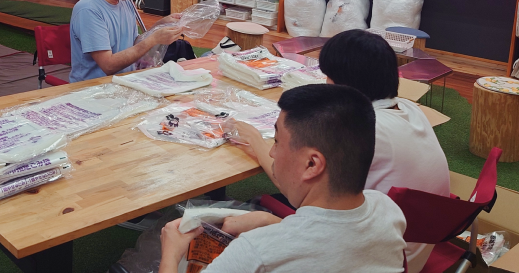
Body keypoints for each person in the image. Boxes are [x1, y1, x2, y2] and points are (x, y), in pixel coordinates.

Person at [231, 29, 450, 273]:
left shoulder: (362, 129)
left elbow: (293, 179)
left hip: (372, 253)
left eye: (328, 77)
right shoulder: (409, 109)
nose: (325, 84)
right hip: (407, 244)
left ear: (344, 87)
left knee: (252, 208)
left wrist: (256, 141)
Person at [159, 84, 407, 273]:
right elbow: (328, 242)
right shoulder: (387, 210)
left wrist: (171, 254)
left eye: (277, 142)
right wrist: (271, 221)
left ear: (312, 164)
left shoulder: (258, 252)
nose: (272, 153)